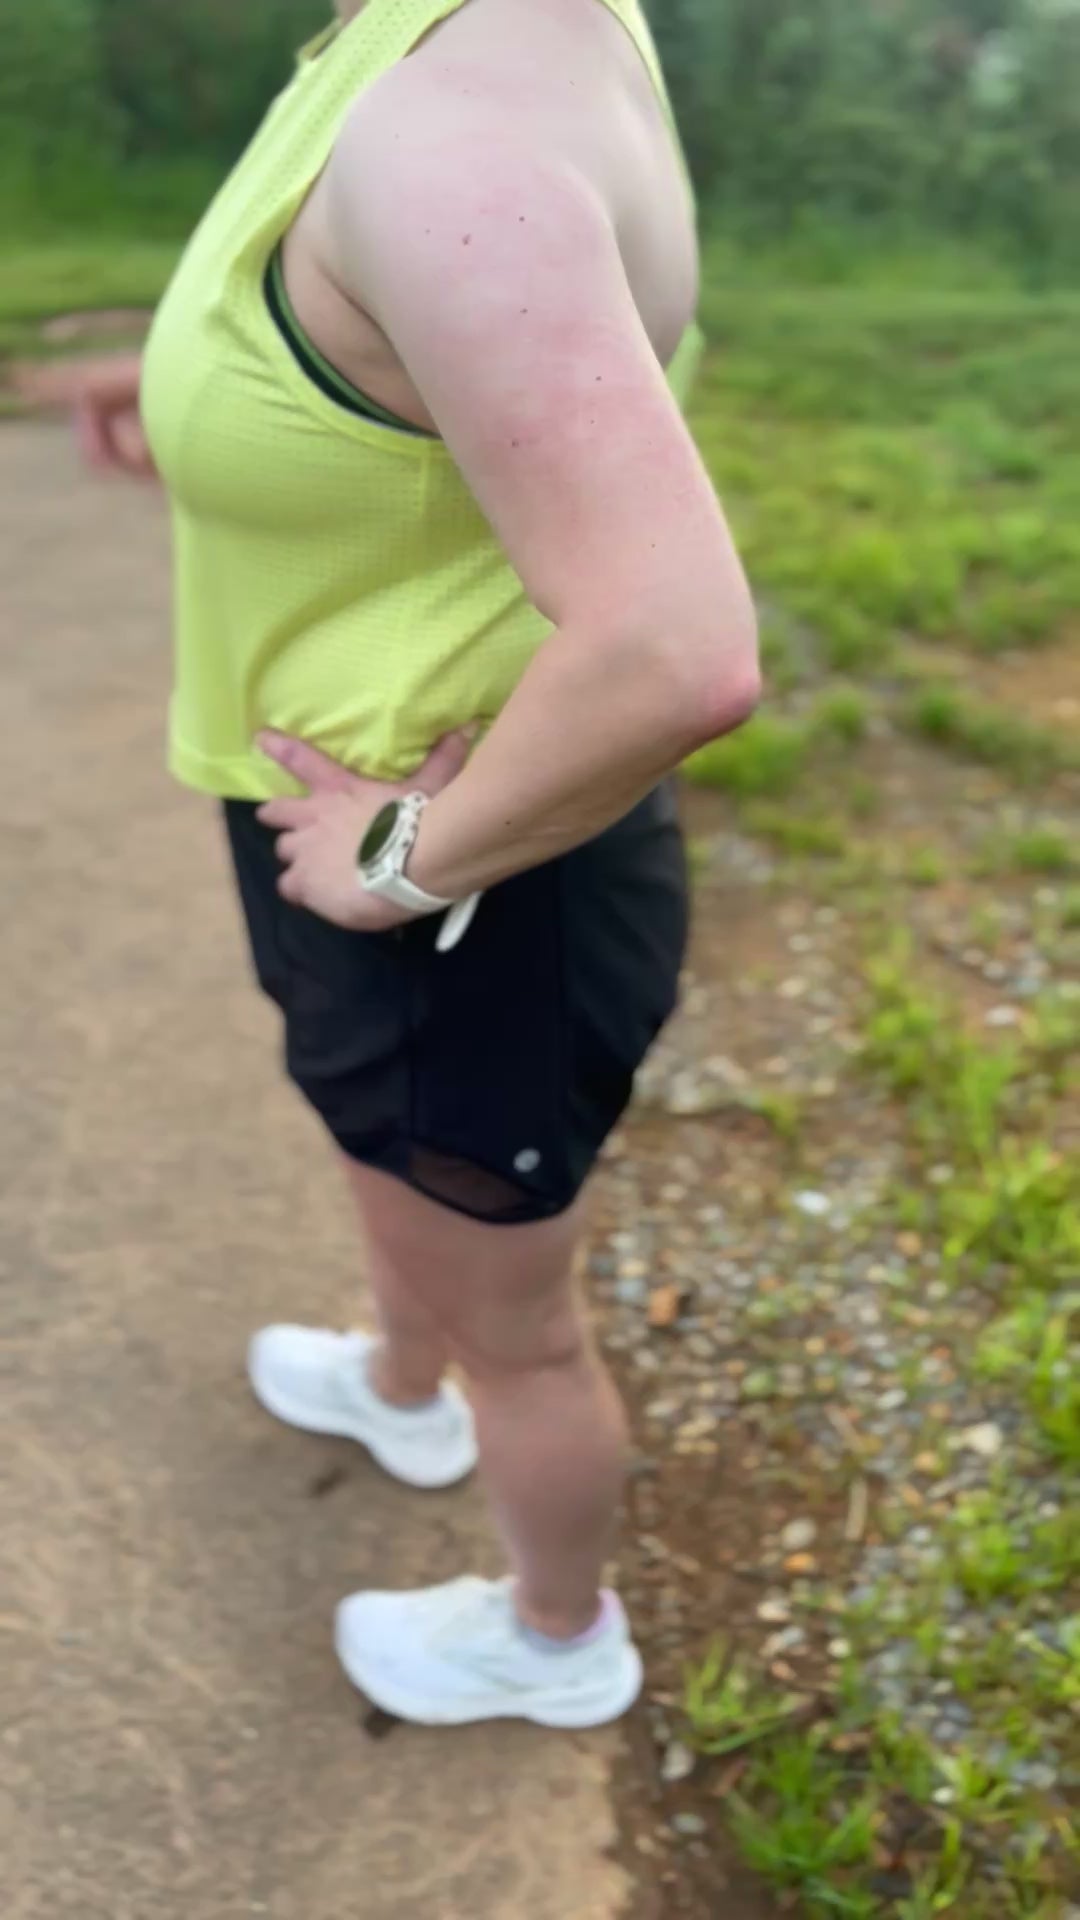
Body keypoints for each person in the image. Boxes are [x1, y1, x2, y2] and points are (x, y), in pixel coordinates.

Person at [37, 0, 758, 1729]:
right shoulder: (458, 35)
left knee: (526, 1327)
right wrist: (217, 383)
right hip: (375, 825)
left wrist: (408, 867)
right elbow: (433, 356)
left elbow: (674, 651)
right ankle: (399, 1382)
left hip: (470, 879)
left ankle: (558, 1640)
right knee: (387, 1152)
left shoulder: (456, 140)